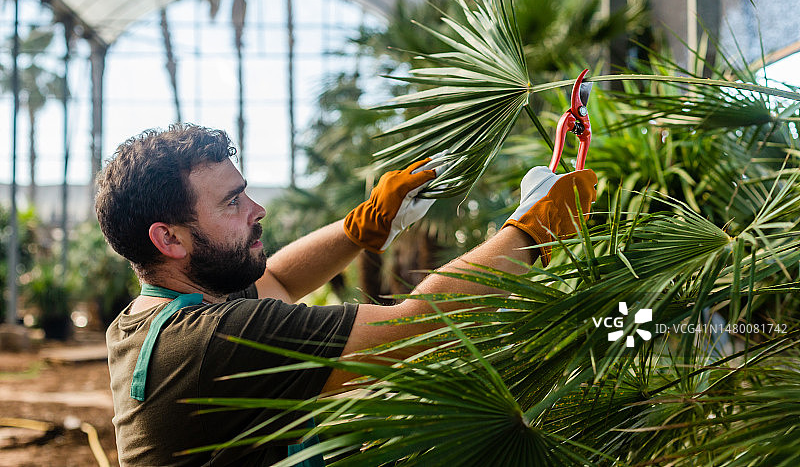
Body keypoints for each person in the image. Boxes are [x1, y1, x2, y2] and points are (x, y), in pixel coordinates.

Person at [97, 124, 596, 466]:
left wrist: (366, 224)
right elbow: (415, 329)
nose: (258, 208)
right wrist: (532, 230)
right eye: (232, 202)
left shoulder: (150, 317)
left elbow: (280, 282)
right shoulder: (217, 340)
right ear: (169, 239)